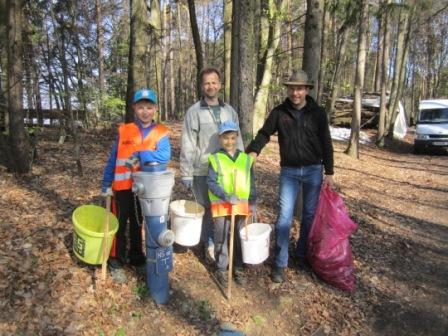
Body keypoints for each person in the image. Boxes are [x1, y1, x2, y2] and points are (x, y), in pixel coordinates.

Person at [246, 70, 335, 283]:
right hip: (289, 172)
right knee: (284, 217)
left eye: (300, 88)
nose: (296, 92)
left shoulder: (318, 113)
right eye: (292, 88)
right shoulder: (279, 112)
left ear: (307, 90)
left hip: (314, 170)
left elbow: (326, 142)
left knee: (309, 215)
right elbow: (264, 133)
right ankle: (280, 262)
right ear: (288, 89)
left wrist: (329, 171)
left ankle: (302, 255)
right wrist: (253, 151)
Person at [101, 89, 171, 282]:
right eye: (141, 107)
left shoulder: (161, 132)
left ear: (155, 109)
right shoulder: (124, 130)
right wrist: (106, 183)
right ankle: (116, 259)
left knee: (138, 223)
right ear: (134, 109)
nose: (145, 111)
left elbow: (164, 156)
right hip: (122, 187)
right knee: (120, 223)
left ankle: (136, 257)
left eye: (149, 107)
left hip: (146, 188)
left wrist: (141, 154)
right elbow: (113, 158)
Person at [180, 67, 243, 264]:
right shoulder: (194, 111)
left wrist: (241, 164)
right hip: (202, 168)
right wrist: (186, 172)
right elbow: (188, 142)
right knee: (206, 209)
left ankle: (223, 245)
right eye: (207, 83)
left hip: (227, 169)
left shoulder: (229, 111)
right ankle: (208, 243)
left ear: (220, 84)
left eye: (214, 82)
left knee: (224, 208)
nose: (211, 86)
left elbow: (237, 139)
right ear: (202, 86)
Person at [207, 121, 256, 287]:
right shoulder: (215, 159)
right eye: (225, 138)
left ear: (237, 137)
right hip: (222, 204)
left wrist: (253, 203)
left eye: (233, 138)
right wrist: (226, 195)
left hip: (241, 206)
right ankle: (221, 267)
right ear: (220, 138)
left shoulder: (245, 159)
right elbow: (211, 183)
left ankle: (238, 267)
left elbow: (252, 183)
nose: (229, 141)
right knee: (221, 235)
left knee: (239, 236)